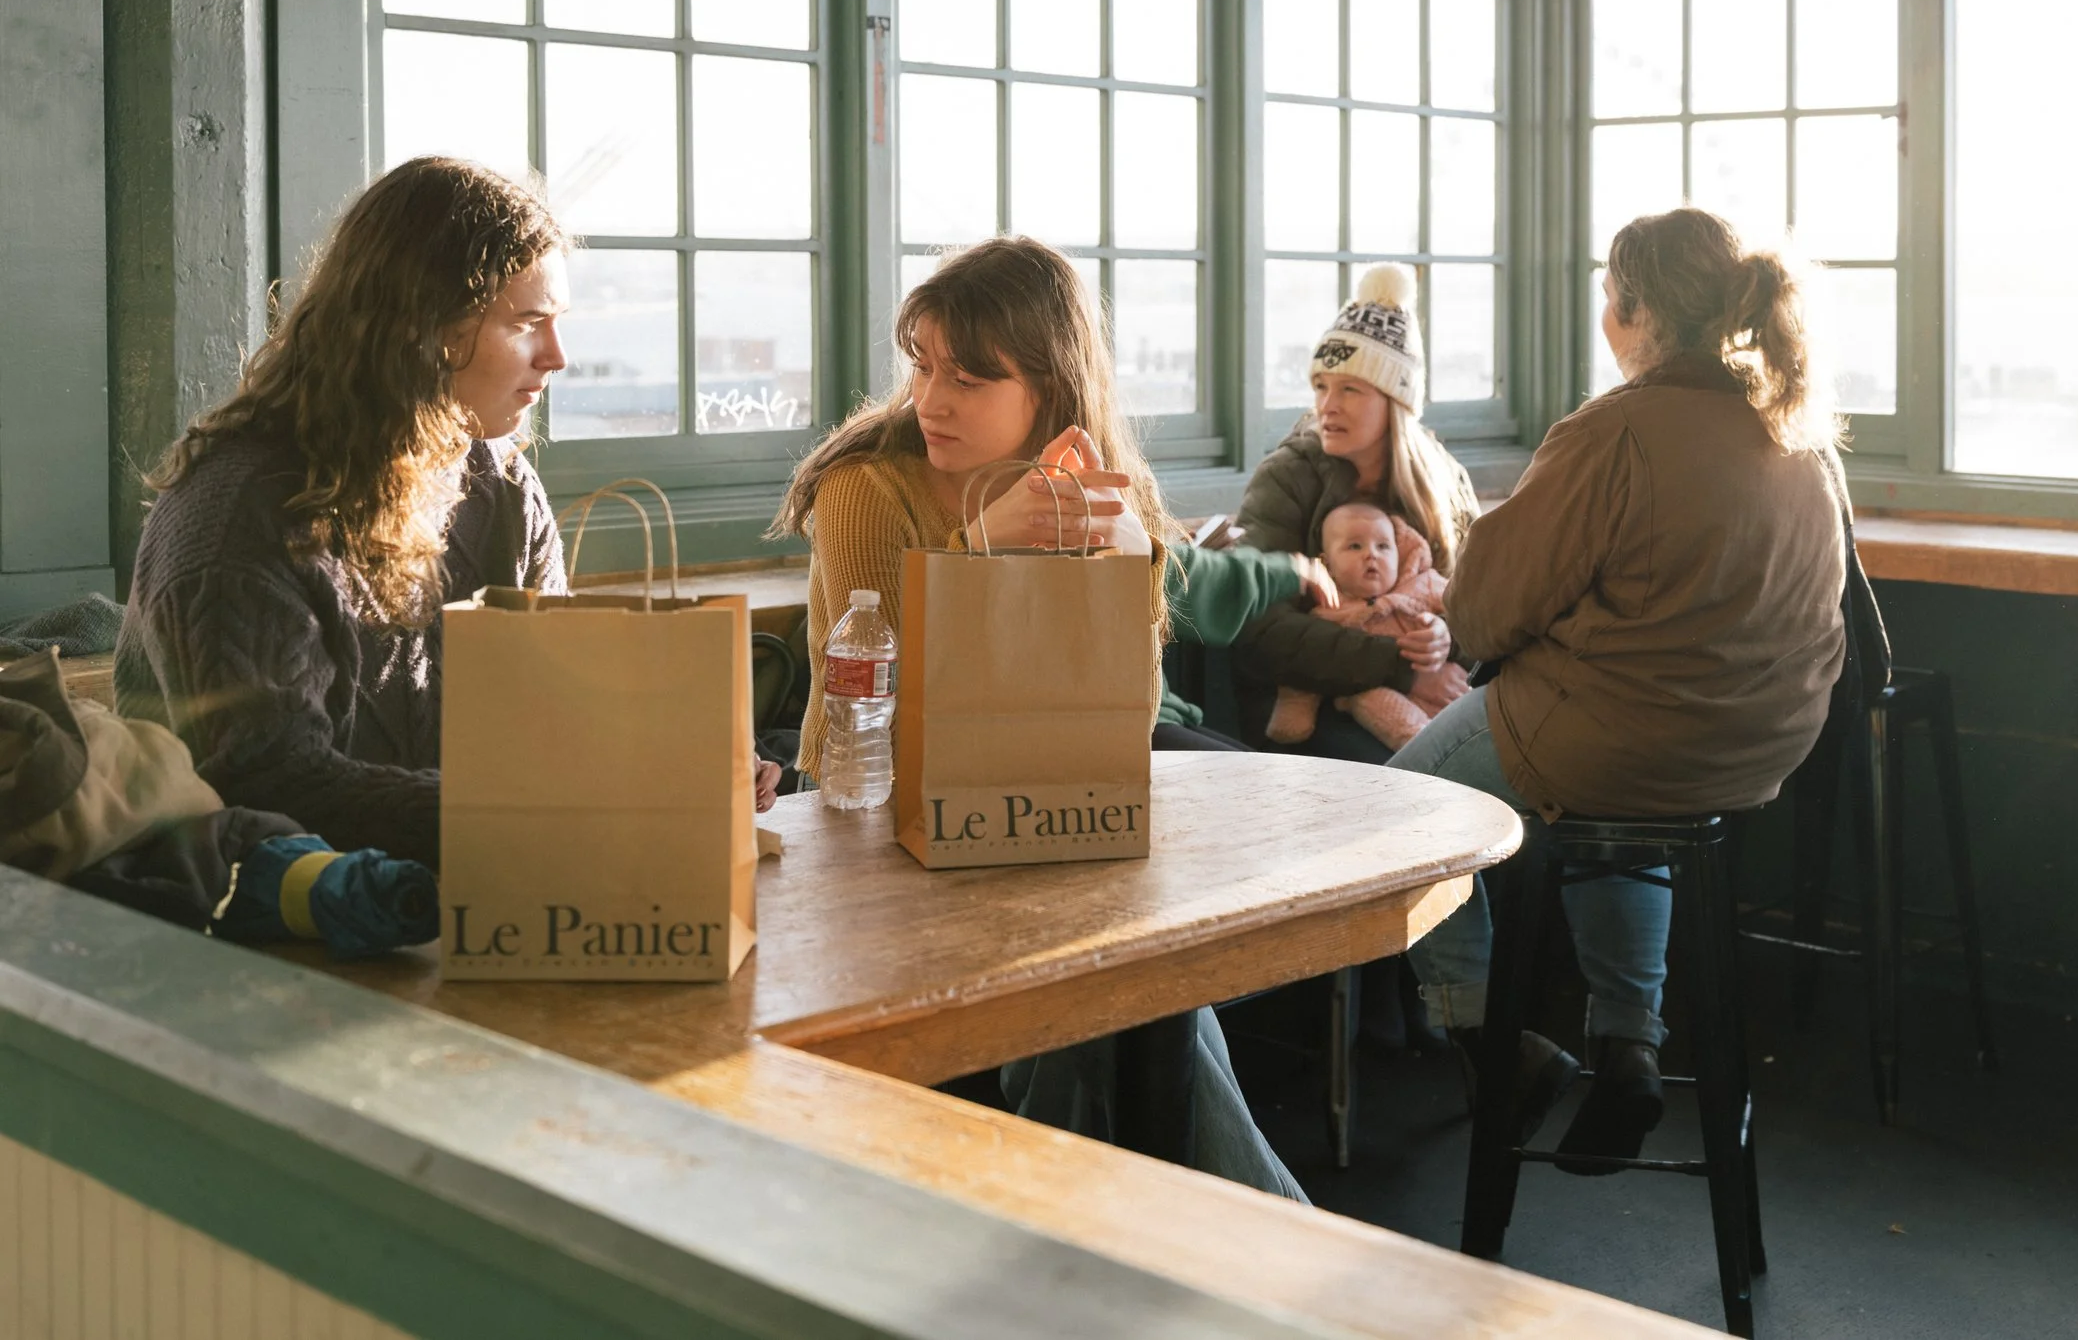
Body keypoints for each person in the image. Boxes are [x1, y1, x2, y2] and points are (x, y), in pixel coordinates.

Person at [769, 235, 1329, 1199]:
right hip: (877, 827)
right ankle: (1267, 1248)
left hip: (1038, 821)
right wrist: (979, 545)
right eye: (923, 366)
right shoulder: (868, 484)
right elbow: (876, 696)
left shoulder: (1094, 484)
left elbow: (1125, 719)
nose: (932, 398)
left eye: (969, 377)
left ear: (1049, 385)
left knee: (1131, 991)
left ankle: (1088, 1241)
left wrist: (1126, 568)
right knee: (1117, 998)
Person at [117, 157, 779, 871]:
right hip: (261, 918)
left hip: (478, 897)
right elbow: (273, 783)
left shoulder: (501, 486)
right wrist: (554, 810)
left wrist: (680, 757)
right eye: (528, 322)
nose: (558, 357)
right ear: (424, 326)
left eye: (557, 322)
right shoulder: (235, 517)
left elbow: (558, 711)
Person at [1394, 207, 1849, 1172]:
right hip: (1748, 751)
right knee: (1611, 804)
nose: (1604, 314)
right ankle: (1628, 1045)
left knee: (1395, 811)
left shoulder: (1615, 431)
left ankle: (1487, 1040)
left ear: (1635, 312)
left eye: (1609, 295)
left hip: (1613, 737)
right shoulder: (1795, 434)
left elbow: (1483, 615)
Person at [1235, 264, 1481, 764]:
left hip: (1435, 696)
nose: (1327, 405)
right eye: (1321, 386)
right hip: (1310, 708)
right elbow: (1259, 626)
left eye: (1350, 389)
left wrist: (1446, 641)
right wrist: (1403, 666)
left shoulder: (1445, 483)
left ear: (1395, 401)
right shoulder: (1287, 478)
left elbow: (1485, 604)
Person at [1264, 502, 1469, 751]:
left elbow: (1470, 614)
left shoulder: (1424, 586)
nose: (1371, 554)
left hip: (1455, 691)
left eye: (1383, 546)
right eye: (1355, 546)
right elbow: (1302, 678)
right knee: (1365, 697)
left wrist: (1444, 630)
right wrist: (1291, 720)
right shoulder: (1328, 613)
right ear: (1328, 565)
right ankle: (1423, 747)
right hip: (1386, 702)